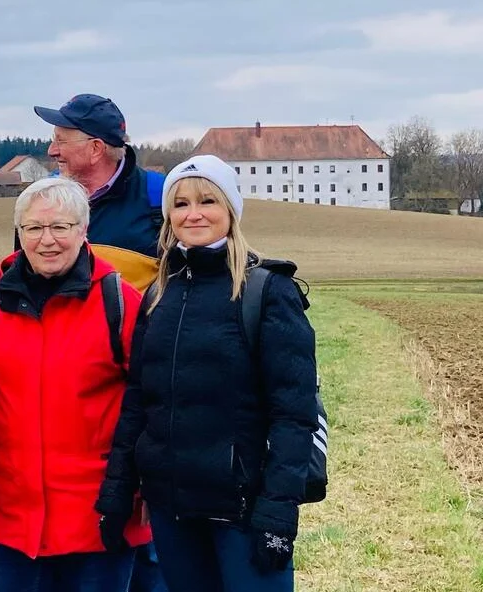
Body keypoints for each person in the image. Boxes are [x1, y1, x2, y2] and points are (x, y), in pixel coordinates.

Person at [97, 156, 326, 592]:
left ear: (230, 210)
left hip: (244, 512)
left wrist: (278, 512)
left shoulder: (268, 292)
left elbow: (295, 415)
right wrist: (118, 491)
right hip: (173, 510)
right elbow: (139, 400)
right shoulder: (159, 295)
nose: (193, 213)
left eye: (207, 200)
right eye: (180, 204)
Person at [0, 178, 149, 592]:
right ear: (20, 234)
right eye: (33, 228)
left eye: (60, 227)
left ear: (84, 231)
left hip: (99, 515)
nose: (46, 240)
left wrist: (140, 483)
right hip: (12, 520)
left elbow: (152, 400)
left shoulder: (119, 302)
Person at [33, 94, 165, 289]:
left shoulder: (163, 196)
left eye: (61, 141)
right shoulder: (41, 199)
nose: (51, 151)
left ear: (96, 148)